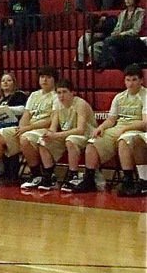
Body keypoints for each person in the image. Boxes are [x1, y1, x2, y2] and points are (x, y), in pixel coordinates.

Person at [62, 65, 147, 194]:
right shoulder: (119, 97)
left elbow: (145, 122)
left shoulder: (145, 96)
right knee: (93, 142)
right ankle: (90, 179)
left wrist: (125, 128)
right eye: (128, 80)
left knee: (124, 141)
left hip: (136, 128)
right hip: (118, 128)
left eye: (134, 80)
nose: (130, 83)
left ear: (141, 80)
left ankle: (128, 181)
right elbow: (111, 120)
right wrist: (101, 127)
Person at [0, 67, 58, 189]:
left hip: (41, 128)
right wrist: (21, 127)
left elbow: (52, 120)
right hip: (27, 127)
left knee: (24, 138)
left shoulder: (56, 96)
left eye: (48, 77)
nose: (44, 80)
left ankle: (36, 174)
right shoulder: (34, 95)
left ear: (55, 80)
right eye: (42, 77)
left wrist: (27, 128)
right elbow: (26, 114)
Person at [24, 80, 93, 192]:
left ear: (72, 93)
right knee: (42, 141)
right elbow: (53, 126)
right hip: (66, 135)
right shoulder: (57, 105)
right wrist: (49, 134)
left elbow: (80, 130)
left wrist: (56, 135)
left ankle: (73, 176)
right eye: (59, 92)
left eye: (64, 92)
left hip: (86, 135)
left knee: (71, 140)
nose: (61, 96)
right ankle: (49, 176)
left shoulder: (80, 104)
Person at [98, 0, 145, 70]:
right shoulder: (122, 13)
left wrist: (122, 33)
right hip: (120, 38)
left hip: (132, 38)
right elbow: (117, 27)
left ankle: (102, 63)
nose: (127, 0)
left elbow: (136, 30)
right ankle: (110, 64)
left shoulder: (140, 12)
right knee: (111, 47)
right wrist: (114, 33)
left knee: (107, 41)